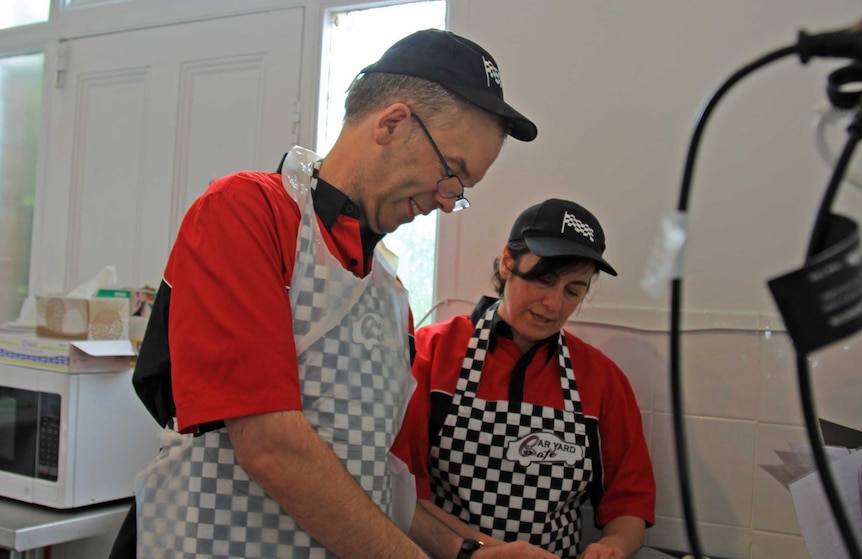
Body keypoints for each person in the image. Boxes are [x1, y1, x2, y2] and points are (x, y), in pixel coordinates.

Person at [109, 29, 538, 559]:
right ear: (392, 123)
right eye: (452, 174)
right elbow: (269, 443)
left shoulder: (389, 292)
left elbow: (378, 476)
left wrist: (469, 550)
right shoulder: (247, 212)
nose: (449, 202)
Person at [392, 198, 656, 559]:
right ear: (507, 262)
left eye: (573, 291)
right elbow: (403, 493)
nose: (553, 304)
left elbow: (629, 504)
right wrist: (488, 551)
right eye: (543, 280)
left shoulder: (602, 381)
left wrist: (612, 547)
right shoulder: (431, 355)